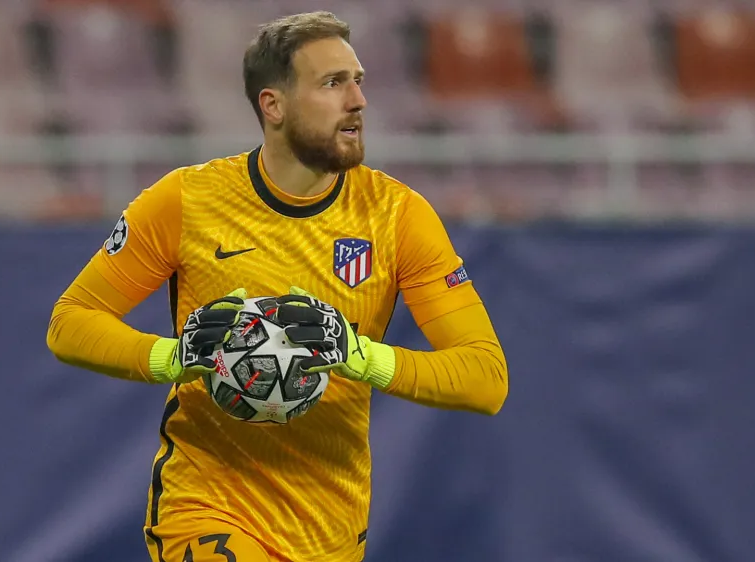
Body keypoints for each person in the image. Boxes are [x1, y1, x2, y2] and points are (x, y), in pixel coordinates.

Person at [46, 10, 508, 562]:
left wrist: (360, 357)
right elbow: (70, 322)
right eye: (333, 83)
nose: (358, 101)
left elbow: (486, 378)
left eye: (358, 81)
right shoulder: (185, 201)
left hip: (329, 523)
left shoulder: (397, 216)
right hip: (207, 504)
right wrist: (173, 357)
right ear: (274, 105)